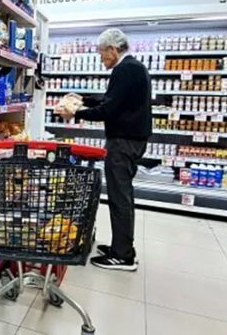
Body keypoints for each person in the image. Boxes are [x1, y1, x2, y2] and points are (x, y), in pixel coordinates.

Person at [56, 28, 151, 271]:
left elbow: (108, 110)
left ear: (112, 49)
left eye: (101, 54)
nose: (101, 59)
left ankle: (122, 256)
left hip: (123, 141)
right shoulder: (133, 67)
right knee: (123, 195)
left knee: (120, 197)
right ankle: (123, 247)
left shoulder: (124, 69)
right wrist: (83, 99)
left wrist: (75, 112)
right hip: (131, 140)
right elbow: (112, 101)